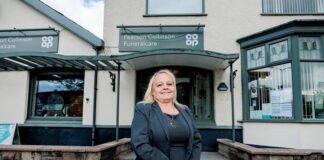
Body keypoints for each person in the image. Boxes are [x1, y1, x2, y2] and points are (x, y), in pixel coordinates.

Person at [131, 69, 202, 160]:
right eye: (159, 85)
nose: (165, 87)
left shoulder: (185, 110)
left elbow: (196, 140)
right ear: (152, 91)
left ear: (174, 88)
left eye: (169, 84)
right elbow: (140, 144)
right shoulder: (143, 109)